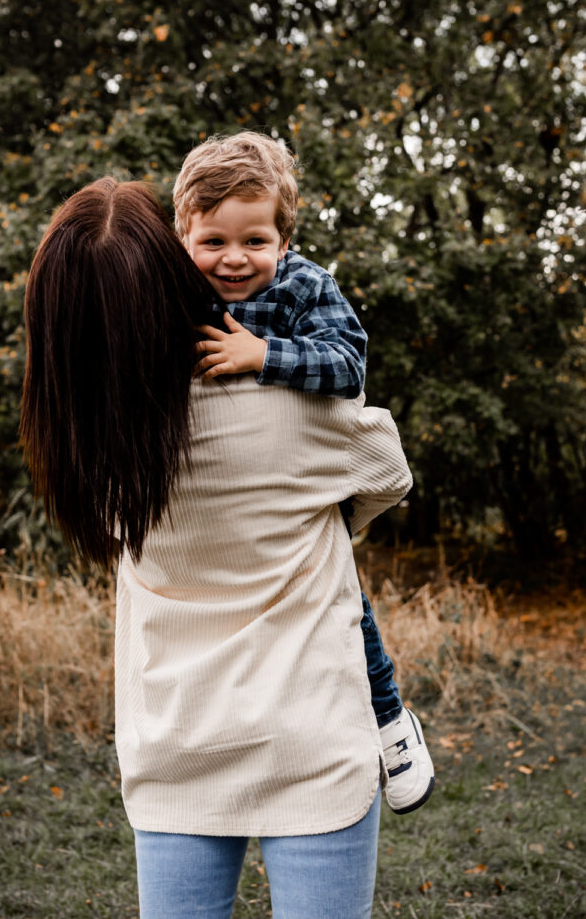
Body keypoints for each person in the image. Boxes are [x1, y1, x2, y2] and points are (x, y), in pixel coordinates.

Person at [20, 176, 416, 919]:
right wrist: (310, 522)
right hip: (312, 734)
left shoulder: (88, 446)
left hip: (174, 741)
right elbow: (386, 474)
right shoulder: (283, 409)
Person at [172, 132, 434, 814]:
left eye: (255, 241)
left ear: (283, 241)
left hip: (303, 476)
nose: (234, 260)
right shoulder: (170, 291)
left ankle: (386, 718)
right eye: (213, 243)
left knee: (341, 594)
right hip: (217, 486)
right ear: (183, 235)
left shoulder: (305, 284)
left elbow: (348, 367)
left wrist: (264, 355)